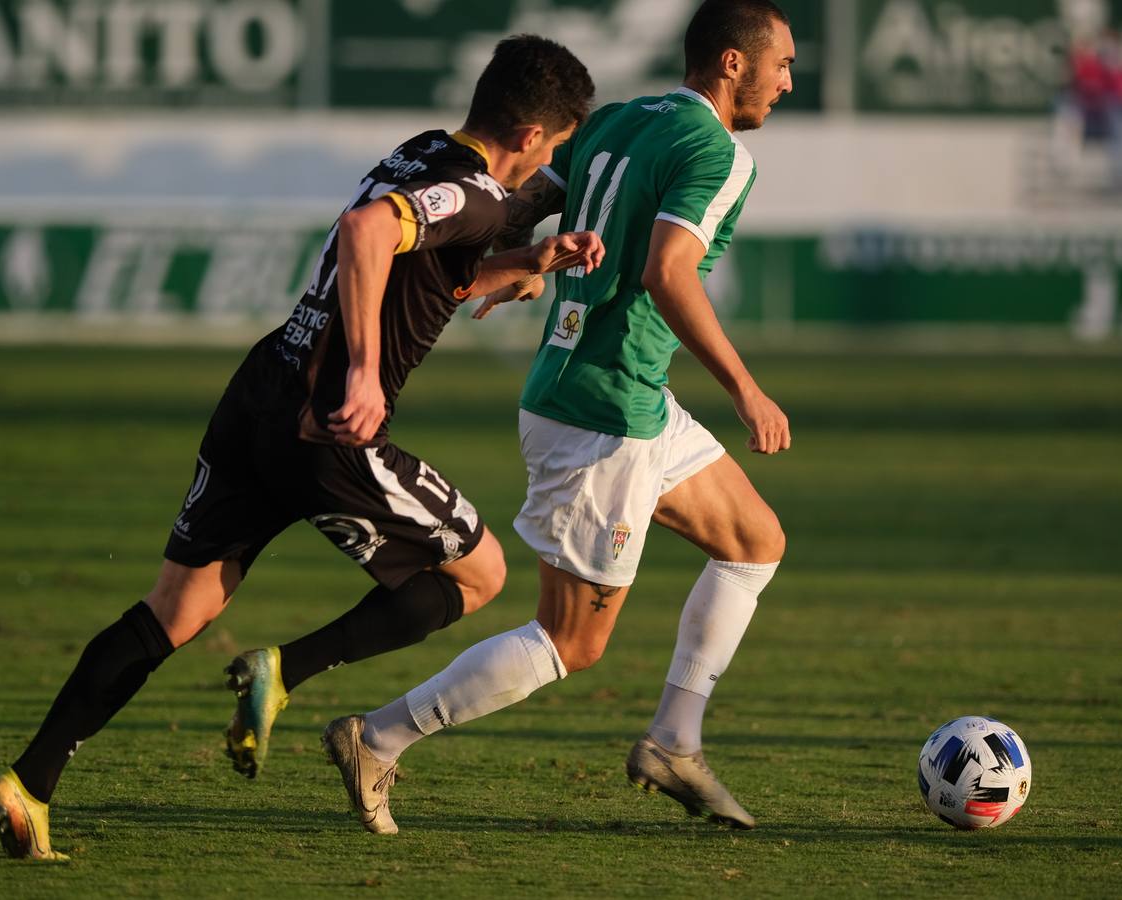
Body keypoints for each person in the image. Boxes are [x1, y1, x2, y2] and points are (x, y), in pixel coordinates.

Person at [0, 34, 600, 860]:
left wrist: (525, 261)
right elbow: (366, 232)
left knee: (177, 610)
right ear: (530, 137)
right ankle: (286, 672)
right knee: (479, 575)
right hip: (328, 424)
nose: (546, 164)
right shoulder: (477, 193)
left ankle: (29, 784)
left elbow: (424, 261)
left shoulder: (422, 152)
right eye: (555, 148)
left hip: (261, 394)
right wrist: (369, 372)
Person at [323, 0, 794, 836]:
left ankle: (674, 742)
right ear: (731, 64)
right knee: (570, 642)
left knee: (754, 541)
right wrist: (746, 389)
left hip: (623, 396)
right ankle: (378, 737)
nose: (788, 81)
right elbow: (668, 273)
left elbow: (531, 196)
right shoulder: (719, 152)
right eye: (782, 64)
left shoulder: (618, 118)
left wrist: (520, 266)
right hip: (602, 413)